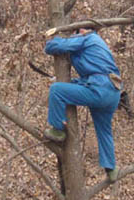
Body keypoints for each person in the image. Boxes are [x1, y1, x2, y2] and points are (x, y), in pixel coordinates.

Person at [44, 26, 121, 182]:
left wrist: (53, 39)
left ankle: (58, 129)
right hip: (113, 92)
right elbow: (93, 75)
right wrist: (71, 82)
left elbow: (53, 47)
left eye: (76, 32)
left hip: (100, 89)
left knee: (56, 90)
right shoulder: (98, 43)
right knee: (104, 130)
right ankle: (111, 168)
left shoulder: (86, 38)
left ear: (82, 30)